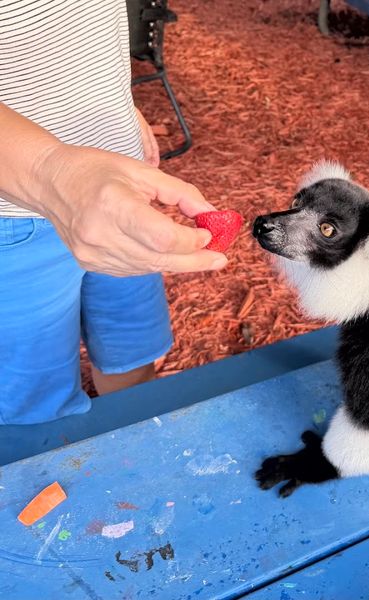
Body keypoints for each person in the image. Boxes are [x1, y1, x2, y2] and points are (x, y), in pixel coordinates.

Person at [0, 0, 227, 424]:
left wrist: (115, 105)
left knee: (133, 365)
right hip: (11, 220)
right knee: (35, 415)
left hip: (113, 187)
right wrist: (49, 169)